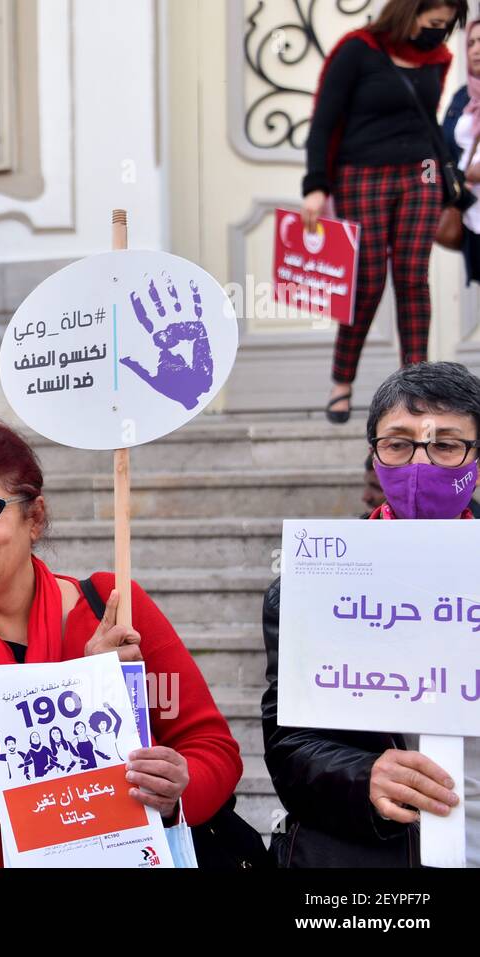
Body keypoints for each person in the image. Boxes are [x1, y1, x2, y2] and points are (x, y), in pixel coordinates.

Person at [0, 415, 243, 867]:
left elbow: (211, 748)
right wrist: (84, 688)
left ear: (35, 517)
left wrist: (176, 793)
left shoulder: (112, 605)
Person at [262, 361, 479, 867]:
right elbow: (290, 744)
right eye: (399, 444)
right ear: (374, 455)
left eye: (445, 445)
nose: (420, 464)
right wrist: (365, 777)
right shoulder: (313, 587)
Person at [302, 0, 467, 424]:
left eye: (445, 27)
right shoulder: (357, 49)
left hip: (422, 176)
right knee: (368, 280)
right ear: (408, 12)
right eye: (432, 23)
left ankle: (416, 386)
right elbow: (324, 120)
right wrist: (316, 185)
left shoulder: (437, 58)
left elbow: (427, 117)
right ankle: (342, 382)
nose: (438, 33)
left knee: (413, 276)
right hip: (363, 175)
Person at [441, 19, 480, 284]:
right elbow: (438, 152)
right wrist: (436, 184)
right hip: (472, 218)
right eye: (471, 43)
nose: (476, 50)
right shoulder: (461, 97)